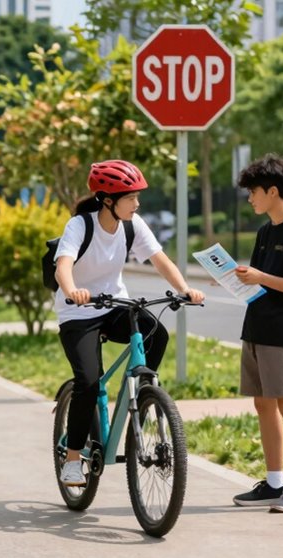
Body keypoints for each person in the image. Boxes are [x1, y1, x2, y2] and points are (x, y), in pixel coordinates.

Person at [54, 159, 205, 488]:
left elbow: (159, 259)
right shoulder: (81, 225)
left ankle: (145, 393)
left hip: (114, 305)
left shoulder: (132, 225)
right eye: (130, 197)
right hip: (79, 312)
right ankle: (73, 459)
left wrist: (184, 289)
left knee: (157, 333)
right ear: (108, 200)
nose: (137, 204)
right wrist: (72, 291)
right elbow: (62, 265)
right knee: (89, 383)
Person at [230, 154, 283, 512]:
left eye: (253, 192)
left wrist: (261, 277)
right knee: (262, 403)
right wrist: (237, 278)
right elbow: (260, 283)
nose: (250, 198)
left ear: (273, 190)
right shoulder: (265, 231)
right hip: (256, 328)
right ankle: (274, 482)